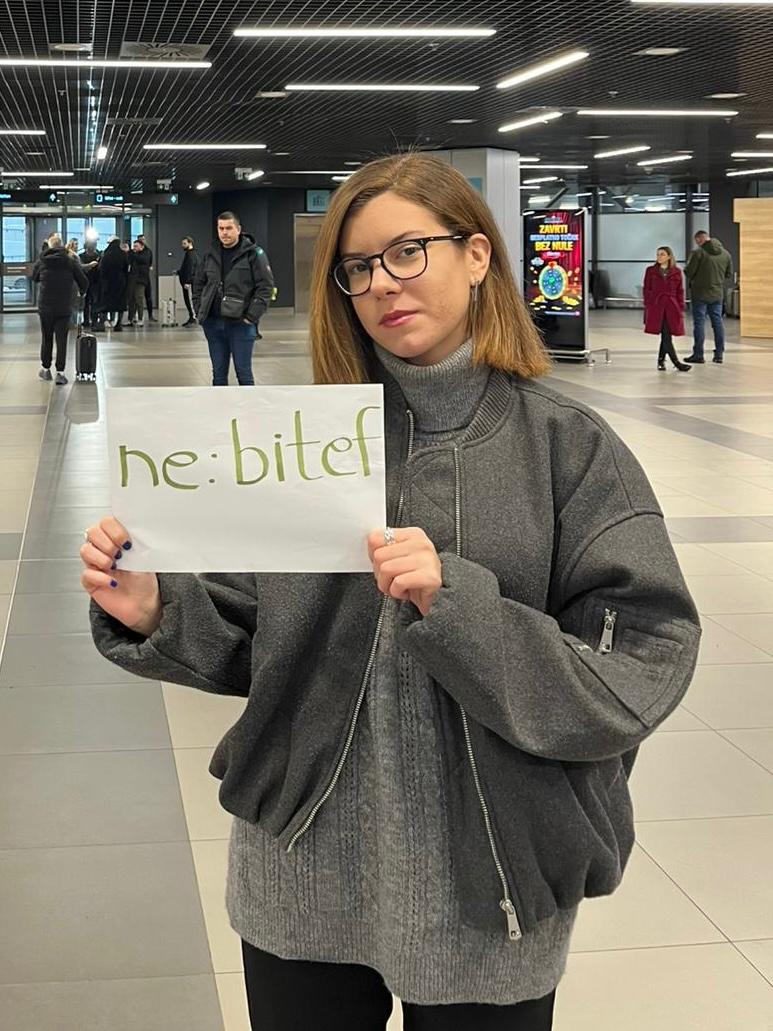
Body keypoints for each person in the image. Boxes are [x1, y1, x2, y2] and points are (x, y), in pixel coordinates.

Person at [80, 154, 701, 1031]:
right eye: (357, 267)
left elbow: (644, 658)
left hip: (492, 875)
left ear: (477, 256)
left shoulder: (568, 447)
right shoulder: (306, 444)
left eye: (407, 251)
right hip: (300, 862)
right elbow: (260, 636)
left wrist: (459, 607)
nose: (380, 283)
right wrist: (159, 610)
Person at [192, 211, 275, 385]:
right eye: (221, 228)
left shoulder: (254, 255)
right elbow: (198, 284)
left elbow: (266, 287)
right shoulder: (210, 255)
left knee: (243, 374)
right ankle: (220, 403)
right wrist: (200, 310)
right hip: (213, 323)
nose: (224, 232)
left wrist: (251, 316)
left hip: (241, 324)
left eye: (229, 228)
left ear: (238, 229)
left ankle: (247, 404)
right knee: (218, 375)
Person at [32, 233, 88, 384]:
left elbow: (34, 277)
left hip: (45, 306)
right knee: (62, 340)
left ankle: (45, 369)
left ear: (49, 245)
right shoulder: (70, 261)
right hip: (64, 306)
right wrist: (81, 293)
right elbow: (84, 281)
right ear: (62, 245)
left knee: (47, 338)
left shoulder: (42, 260)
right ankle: (60, 373)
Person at [684, 230, 733, 365]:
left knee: (699, 323)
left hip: (700, 294)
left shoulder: (698, 253)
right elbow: (728, 274)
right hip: (717, 294)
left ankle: (698, 355)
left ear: (699, 240)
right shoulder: (726, 254)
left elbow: (689, 272)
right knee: (717, 323)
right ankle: (719, 355)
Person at [643, 247, 690, 372]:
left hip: (672, 307)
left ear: (669, 256)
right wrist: (649, 303)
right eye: (658, 254)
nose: (659, 257)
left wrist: (680, 306)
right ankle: (676, 362)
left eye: (662, 254)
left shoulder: (676, 272)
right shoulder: (651, 271)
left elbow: (680, 291)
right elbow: (646, 288)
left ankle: (661, 361)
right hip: (656, 306)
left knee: (666, 335)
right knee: (666, 335)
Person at [97, 237, 129, 332]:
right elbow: (126, 267)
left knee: (105, 304)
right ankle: (118, 324)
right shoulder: (123, 254)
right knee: (120, 304)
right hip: (120, 281)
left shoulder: (106, 254)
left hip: (107, 282)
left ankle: (102, 324)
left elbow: (102, 268)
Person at [127, 239, 151, 326]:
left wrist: (130, 252)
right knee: (131, 299)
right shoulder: (134, 255)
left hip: (141, 280)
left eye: (136, 246)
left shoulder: (146, 254)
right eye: (134, 246)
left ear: (142, 246)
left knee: (139, 298)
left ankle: (140, 318)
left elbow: (142, 260)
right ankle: (131, 318)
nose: (134, 248)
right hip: (132, 279)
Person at [78, 239, 101, 328]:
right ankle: (91, 320)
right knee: (91, 302)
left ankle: (89, 320)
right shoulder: (98, 256)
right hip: (92, 281)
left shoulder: (82, 256)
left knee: (89, 302)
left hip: (91, 281)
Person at [177, 236, 199, 326]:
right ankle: (192, 317)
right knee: (188, 300)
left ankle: (193, 317)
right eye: (182, 243)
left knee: (189, 300)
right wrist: (179, 272)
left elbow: (190, 269)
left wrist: (188, 281)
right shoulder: (190, 254)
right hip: (188, 281)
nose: (182, 245)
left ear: (190, 243)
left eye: (184, 243)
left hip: (189, 282)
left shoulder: (191, 255)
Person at [137, 234, 156, 321]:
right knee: (137, 298)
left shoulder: (148, 251)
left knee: (148, 296)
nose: (142, 241)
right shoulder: (135, 252)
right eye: (141, 239)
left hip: (146, 276)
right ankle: (136, 316)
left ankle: (150, 315)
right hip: (138, 277)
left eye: (143, 239)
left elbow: (150, 263)